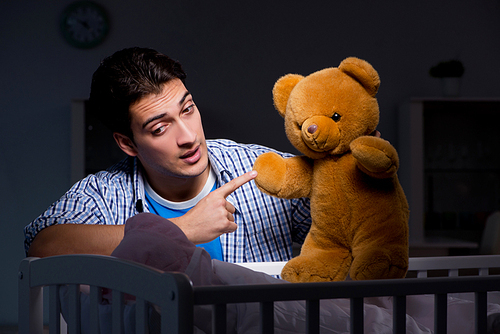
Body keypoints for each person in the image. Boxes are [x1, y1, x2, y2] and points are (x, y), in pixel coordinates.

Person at [24, 47, 311, 263]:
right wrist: (181, 229)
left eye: (187, 110)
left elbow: (345, 221)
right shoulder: (105, 194)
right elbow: (44, 244)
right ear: (128, 143)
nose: (188, 137)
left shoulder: (261, 169)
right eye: (160, 128)